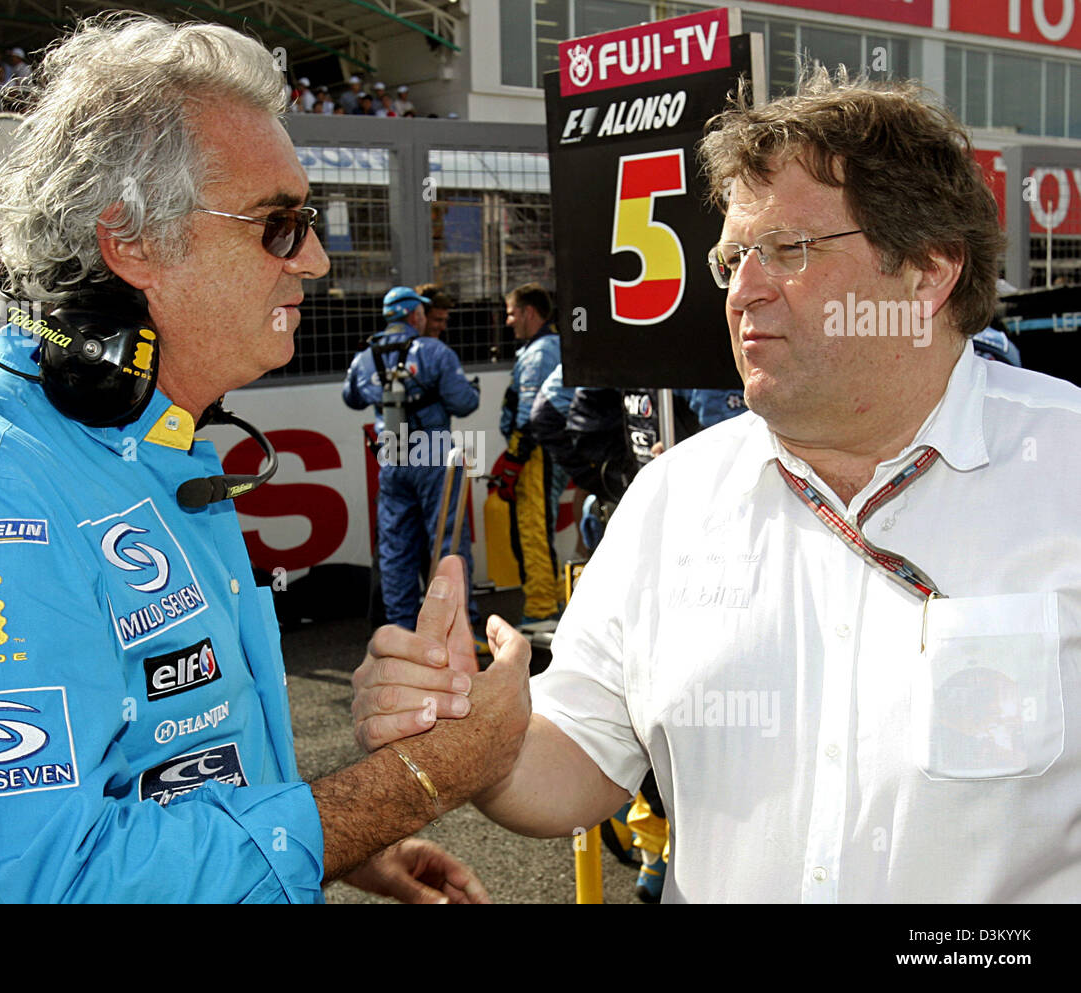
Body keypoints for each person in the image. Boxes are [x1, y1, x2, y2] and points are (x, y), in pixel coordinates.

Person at [0, 13, 530, 905]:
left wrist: (339, 846)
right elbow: (50, 886)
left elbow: (175, 773)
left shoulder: (156, 448)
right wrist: (422, 779)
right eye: (278, 223)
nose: (314, 259)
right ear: (133, 242)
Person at [353, 68, 1081, 902]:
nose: (743, 290)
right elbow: (580, 761)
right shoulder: (674, 497)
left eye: (790, 250)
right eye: (734, 256)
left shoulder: (1066, 467)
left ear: (927, 270)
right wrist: (479, 731)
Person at [342, 286, 481, 634]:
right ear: (415, 315)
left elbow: (352, 398)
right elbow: (464, 403)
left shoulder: (365, 356)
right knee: (448, 542)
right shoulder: (434, 351)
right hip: (434, 454)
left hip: (391, 457)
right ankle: (456, 628)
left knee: (395, 546)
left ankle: (400, 631)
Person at [496, 282, 562, 634]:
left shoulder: (539, 353)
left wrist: (514, 458)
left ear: (529, 312)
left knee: (534, 530)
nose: (508, 321)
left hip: (536, 453)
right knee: (535, 529)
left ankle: (541, 609)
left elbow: (530, 414)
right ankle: (546, 602)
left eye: (511, 313)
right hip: (538, 451)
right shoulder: (542, 348)